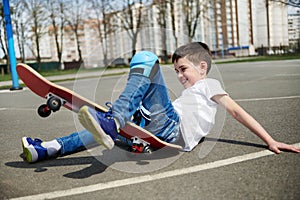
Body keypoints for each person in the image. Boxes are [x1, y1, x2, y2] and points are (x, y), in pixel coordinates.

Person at [22, 42, 300, 163]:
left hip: (170, 127)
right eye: (177, 71)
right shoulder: (189, 97)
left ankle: (115, 119)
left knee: (145, 58)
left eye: (183, 69)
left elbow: (237, 112)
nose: (179, 76)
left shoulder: (208, 85)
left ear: (202, 67)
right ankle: (48, 149)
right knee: (101, 129)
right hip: (158, 127)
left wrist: (271, 140)